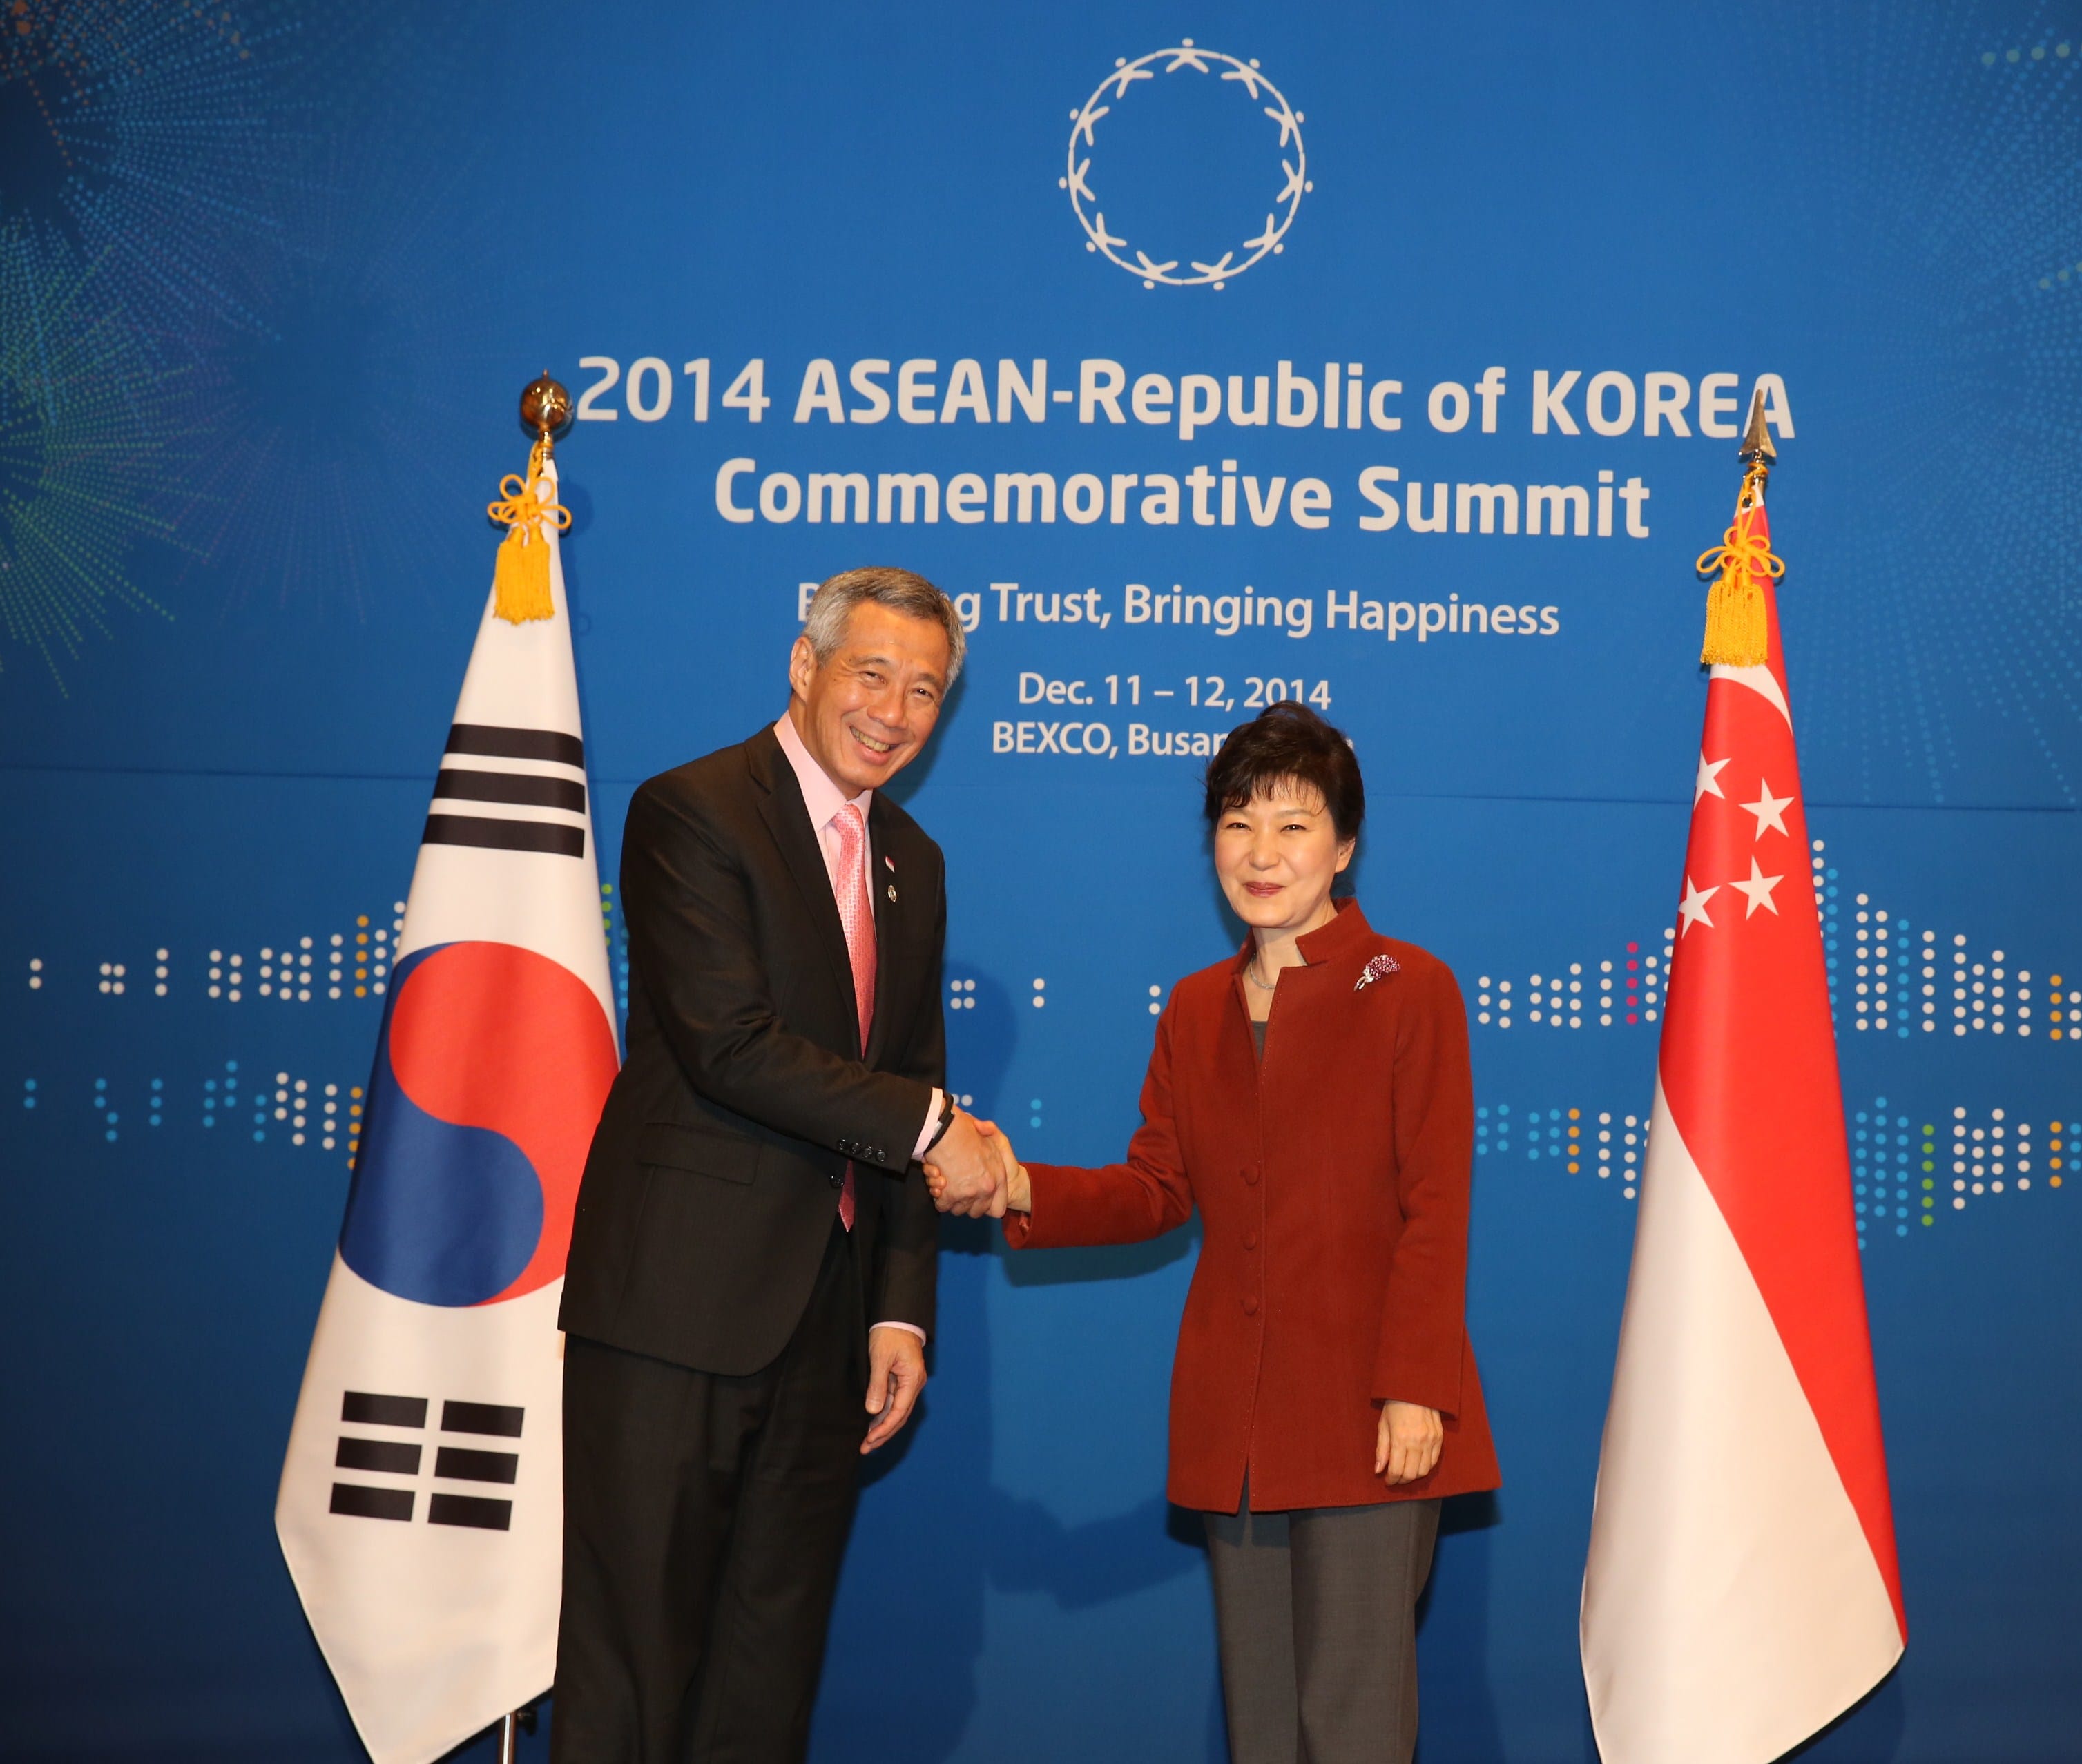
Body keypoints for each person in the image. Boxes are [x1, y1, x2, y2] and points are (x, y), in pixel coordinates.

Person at [932, 701, 1498, 1764]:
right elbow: (1157, 1189)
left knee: (1355, 1726)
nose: (1263, 853)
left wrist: (1415, 1381)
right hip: (1236, 1427)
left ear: (1345, 844)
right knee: (1265, 1732)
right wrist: (1019, 1184)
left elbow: (1437, 1203)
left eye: (1293, 825)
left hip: (1374, 1413)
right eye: (1238, 824)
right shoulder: (1196, 1008)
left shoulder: (1409, 988)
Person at [554, 567, 1012, 1764]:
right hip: (673, 1310)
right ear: (804, 668)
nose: (894, 712)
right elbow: (729, 1045)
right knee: (633, 1670)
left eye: (924, 691)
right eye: (871, 674)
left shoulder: (915, 859)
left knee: (768, 1678)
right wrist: (933, 1130)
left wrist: (900, 1315)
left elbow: (914, 1073)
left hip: (826, 1328)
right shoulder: (693, 808)